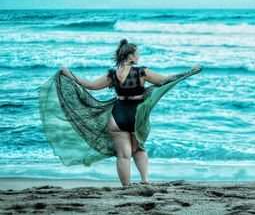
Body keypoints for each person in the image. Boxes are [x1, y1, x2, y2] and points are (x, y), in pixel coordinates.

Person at [60, 39, 199, 187]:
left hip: (117, 117)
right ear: (131, 56)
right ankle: (145, 181)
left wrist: (69, 74)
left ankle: (126, 187)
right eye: (137, 54)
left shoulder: (112, 75)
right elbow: (165, 80)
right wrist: (189, 72)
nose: (138, 57)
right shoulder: (141, 72)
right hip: (136, 116)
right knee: (139, 149)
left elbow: (90, 86)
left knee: (123, 155)